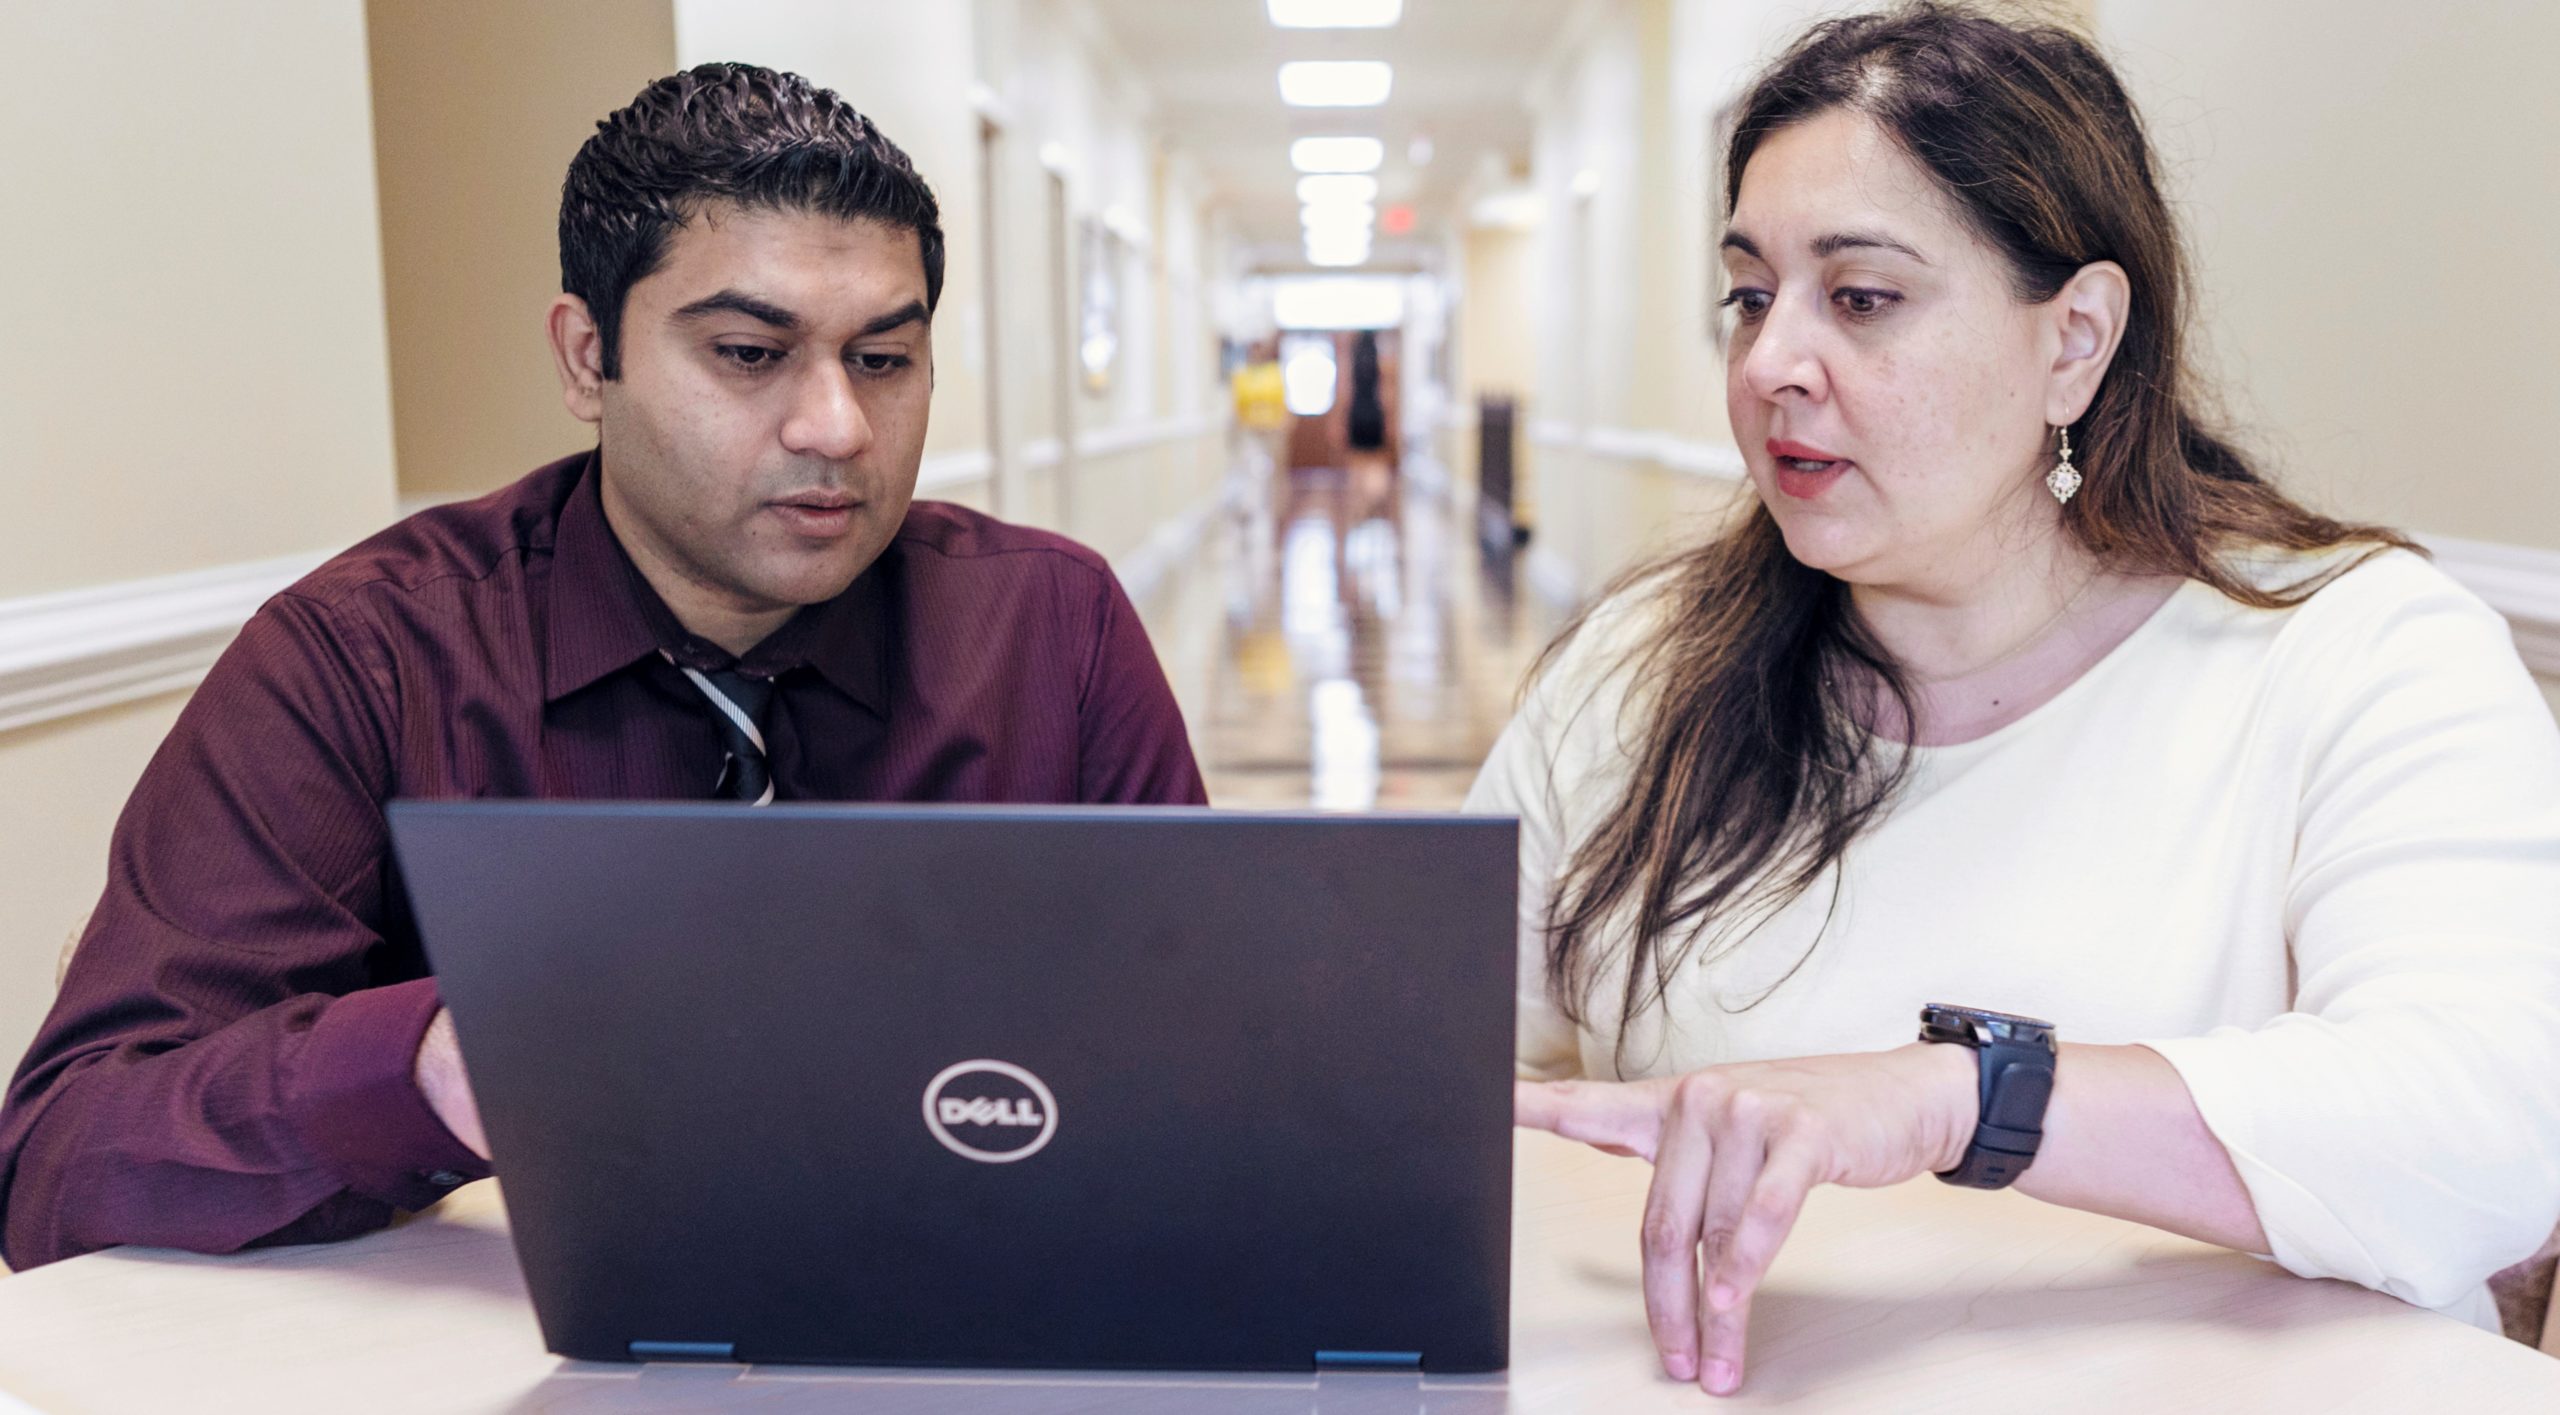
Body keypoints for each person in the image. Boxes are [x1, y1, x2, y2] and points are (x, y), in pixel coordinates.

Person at [1473, 3, 2560, 1396]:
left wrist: (1966, 1096)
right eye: (1751, 293)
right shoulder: (1634, 676)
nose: (1768, 365)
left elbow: (2496, 1129)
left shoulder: (2357, 655)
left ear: (2076, 340)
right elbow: (1431, 1088)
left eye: (1859, 297)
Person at [0, 64, 1206, 1270]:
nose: (836, 426)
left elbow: (1200, 1059)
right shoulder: (364, 659)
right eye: (748, 352)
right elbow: (65, 1159)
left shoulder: (1054, 627)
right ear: (587, 358)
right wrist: (430, 1065)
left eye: (883, 359)